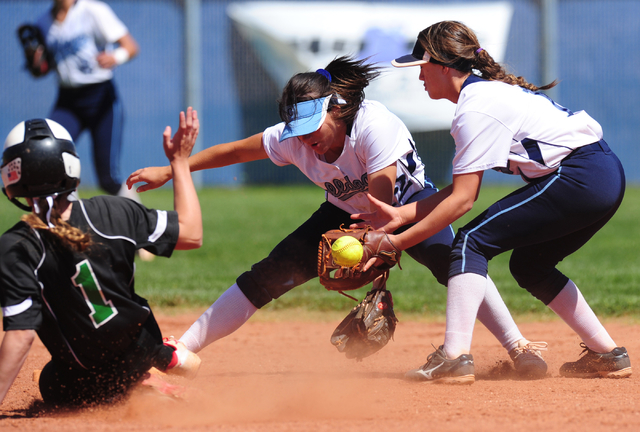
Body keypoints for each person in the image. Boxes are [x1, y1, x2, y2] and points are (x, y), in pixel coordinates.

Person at [126, 56, 546, 378]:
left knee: (455, 263)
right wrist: (172, 169)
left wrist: (376, 251)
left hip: (407, 206)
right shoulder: (293, 138)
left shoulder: (373, 126)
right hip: (343, 212)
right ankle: (183, 346)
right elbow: (237, 151)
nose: (305, 139)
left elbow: (381, 201)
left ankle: (520, 347)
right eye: (297, 129)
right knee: (269, 273)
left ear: (336, 109)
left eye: (313, 125)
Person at [353, 20, 631, 383]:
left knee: (469, 241)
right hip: (600, 175)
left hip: (579, 176)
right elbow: (458, 192)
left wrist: (396, 242)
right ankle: (606, 354)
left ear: (442, 64)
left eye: (421, 67)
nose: (419, 77)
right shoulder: (483, 96)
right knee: (531, 266)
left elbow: (463, 202)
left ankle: (453, 356)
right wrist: (401, 213)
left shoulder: (476, 107)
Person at [0, 108, 202, 406]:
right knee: (125, 343)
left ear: (12, 176)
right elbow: (191, 234)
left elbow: (21, 336)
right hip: (140, 348)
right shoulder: (115, 211)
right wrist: (179, 162)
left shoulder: (17, 245)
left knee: (50, 383)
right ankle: (158, 360)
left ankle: (135, 386)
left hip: (85, 378)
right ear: (71, 169)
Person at [22, 0, 139, 199]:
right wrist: (37, 65)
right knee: (50, 164)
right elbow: (42, 70)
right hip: (68, 101)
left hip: (100, 98)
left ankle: (142, 221)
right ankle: (68, 226)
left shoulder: (92, 10)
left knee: (108, 179)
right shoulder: (43, 23)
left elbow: (131, 46)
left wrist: (116, 56)